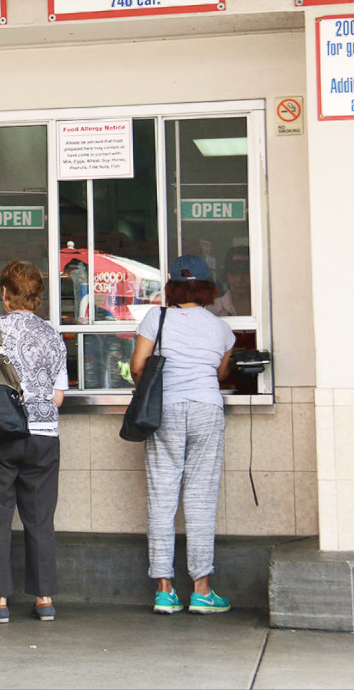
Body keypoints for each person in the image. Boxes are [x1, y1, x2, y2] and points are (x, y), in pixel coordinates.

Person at [131, 254, 236, 616]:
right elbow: (221, 373)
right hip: (207, 408)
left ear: (172, 285)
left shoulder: (155, 318)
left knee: (162, 496)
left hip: (166, 410)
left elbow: (137, 366)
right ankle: (202, 591)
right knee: (201, 498)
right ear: (207, 287)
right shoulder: (220, 328)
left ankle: (164, 591)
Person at [0, 260, 67, 624]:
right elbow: (57, 397)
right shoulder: (53, 335)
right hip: (45, 437)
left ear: (5, 295)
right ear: (36, 297)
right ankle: (44, 599)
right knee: (41, 519)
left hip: (1, 435)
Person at [209, 248, 251, 317]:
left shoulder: (265, 306)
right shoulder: (214, 309)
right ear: (225, 275)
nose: (239, 279)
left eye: (246, 273)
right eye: (234, 273)